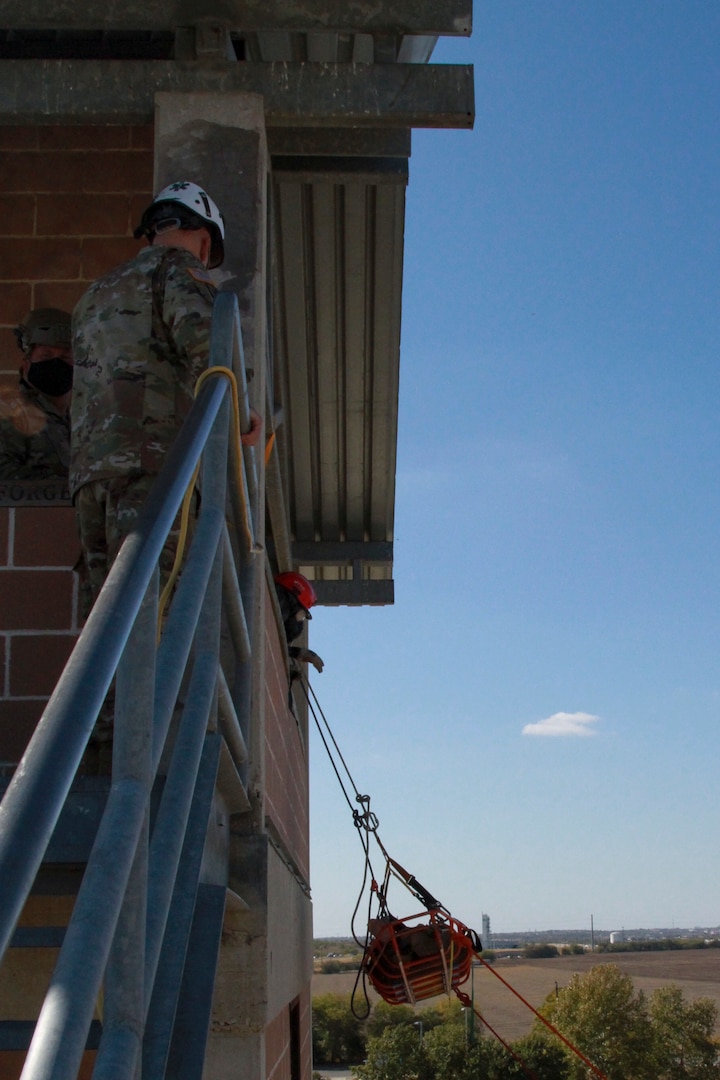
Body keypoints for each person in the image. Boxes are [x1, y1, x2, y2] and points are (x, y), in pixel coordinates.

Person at [70, 180, 261, 608]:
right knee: (150, 612)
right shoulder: (178, 271)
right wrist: (246, 422)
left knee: (104, 620)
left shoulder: (95, 293)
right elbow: (209, 356)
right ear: (205, 238)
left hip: (89, 476)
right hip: (151, 470)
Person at [0, 308, 73, 480]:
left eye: (65, 357)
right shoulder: (11, 416)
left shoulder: (85, 417)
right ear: (26, 365)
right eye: (46, 356)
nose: (56, 364)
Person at [274, 570, 324, 674]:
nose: (299, 619)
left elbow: (278, 646)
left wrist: (299, 653)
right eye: (301, 612)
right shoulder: (279, 604)